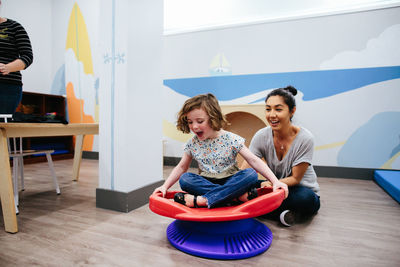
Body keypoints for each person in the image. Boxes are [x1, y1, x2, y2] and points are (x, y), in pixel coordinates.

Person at [153, 93, 288, 208]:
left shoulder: (231, 139)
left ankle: (204, 200)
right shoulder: (192, 143)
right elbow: (182, 167)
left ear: (213, 118)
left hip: (231, 180)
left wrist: (275, 181)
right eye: (190, 122)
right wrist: (165, 186)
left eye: (200, 121)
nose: (194, 126)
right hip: (207, 182)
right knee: (185, 179)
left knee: (251, 174)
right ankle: (234, 197)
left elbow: (253, 160)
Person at [241, 86, 320, 226]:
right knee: (243, 187)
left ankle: (258, 209)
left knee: (306, 199)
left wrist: (271, 184)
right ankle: (283, 214)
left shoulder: (305, 138)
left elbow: (295, 178)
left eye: (278, 109)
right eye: (268, 109)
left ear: (292, 111)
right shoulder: (261, 135)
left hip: (298, 189)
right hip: (274, 186)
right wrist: (234, 185)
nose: (272, 115)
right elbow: (246, 167)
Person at [0, 0, 33, 117]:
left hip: (7, 88)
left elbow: (27, 56)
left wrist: (7, 67)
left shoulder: (15, 27)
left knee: (3, 128)